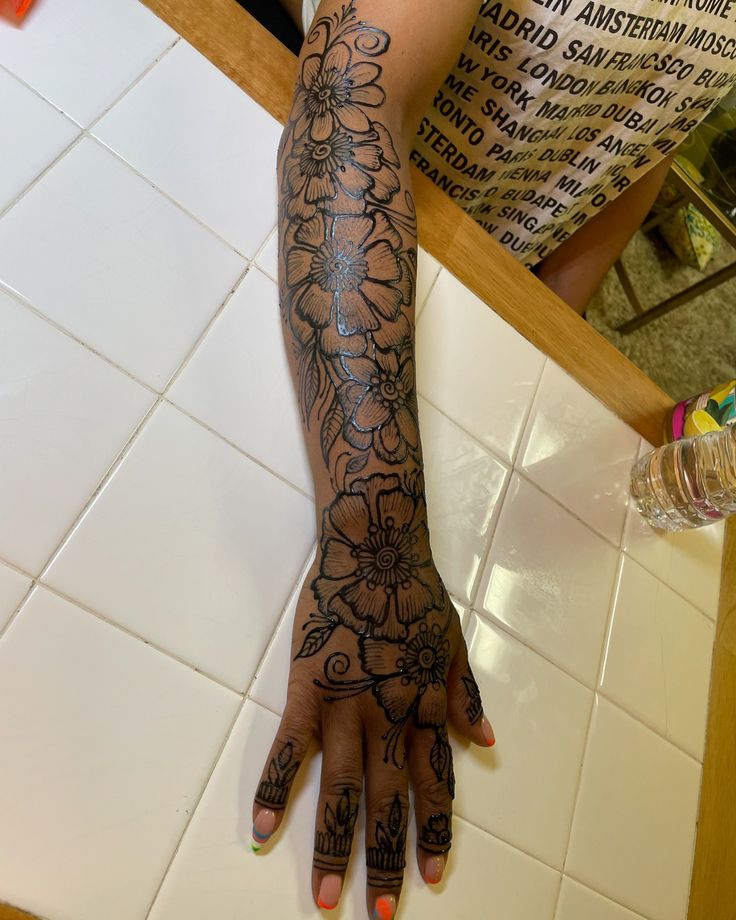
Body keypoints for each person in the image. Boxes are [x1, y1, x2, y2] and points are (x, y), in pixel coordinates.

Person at [250, 3, 736, 918]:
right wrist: (373, 538)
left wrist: (542, 348)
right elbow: (352, 89)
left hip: (460, 328)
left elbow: (654, 116)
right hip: (328, 287)